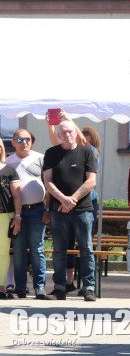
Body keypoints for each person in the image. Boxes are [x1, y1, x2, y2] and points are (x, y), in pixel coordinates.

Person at [42, 119, 97, 301]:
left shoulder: (86, 152)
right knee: (59, 250)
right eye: (63, 132)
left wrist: (72, 199)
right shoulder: (51, 153)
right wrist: (63, 199)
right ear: (58, 135)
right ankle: (59, 288)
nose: (67, 135)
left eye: (70, 131)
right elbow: (47, 181)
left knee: (86, 248)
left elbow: (91, 181)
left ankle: (88, 288)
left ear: (75, 133)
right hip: (59, 210)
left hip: (83, 209)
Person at [6, 128, 49, 300]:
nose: (25, 142)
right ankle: (21, 287)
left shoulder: (40, 158)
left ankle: (40, 287)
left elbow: (49, 184)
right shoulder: (8, 162)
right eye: (22, 139)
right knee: (19, 251)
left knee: (37, 249)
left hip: (38, 210)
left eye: (28, 139)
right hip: (16, 214)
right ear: (13, 142)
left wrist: (47, 209)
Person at [0, 140, 24, 300]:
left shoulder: (9, 170)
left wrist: (17, 216)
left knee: (1, 254)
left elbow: (16, 195)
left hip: (4, 216)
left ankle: (1, 288)